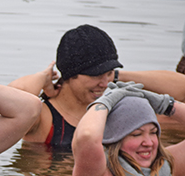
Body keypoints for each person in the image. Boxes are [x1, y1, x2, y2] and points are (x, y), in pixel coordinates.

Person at [11, 24, 185, 150]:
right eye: (95, 75)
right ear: (69, 75)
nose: (104, 83)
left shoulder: (115, 107)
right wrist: (43, 77)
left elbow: (182, 87)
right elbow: (12, 98)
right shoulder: (42, 116)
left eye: (108, 72)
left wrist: (116, 76)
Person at [72, 82, 185, 176]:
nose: (148, 143)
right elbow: (87, 136)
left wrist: (165, 104)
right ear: (115, 138)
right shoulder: (99, 172)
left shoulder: (169, 164)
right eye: (136, 134)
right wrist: (105, 102)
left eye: (153, 132)